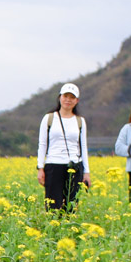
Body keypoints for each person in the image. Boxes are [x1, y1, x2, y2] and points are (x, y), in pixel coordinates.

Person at [36, 83, 91, 211]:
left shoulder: (80, 121)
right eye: (65, 96)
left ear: (76, 101)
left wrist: (86, 172)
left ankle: (68, 229)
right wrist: (40, 167)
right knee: (53, 205)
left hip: (74, 166)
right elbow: (42, 144)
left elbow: (83, 146)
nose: (68, 100)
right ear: (60, 97)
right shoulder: (49, 118)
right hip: (53, 165)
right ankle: (54, 230)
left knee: (71, 205)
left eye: (72, 97)